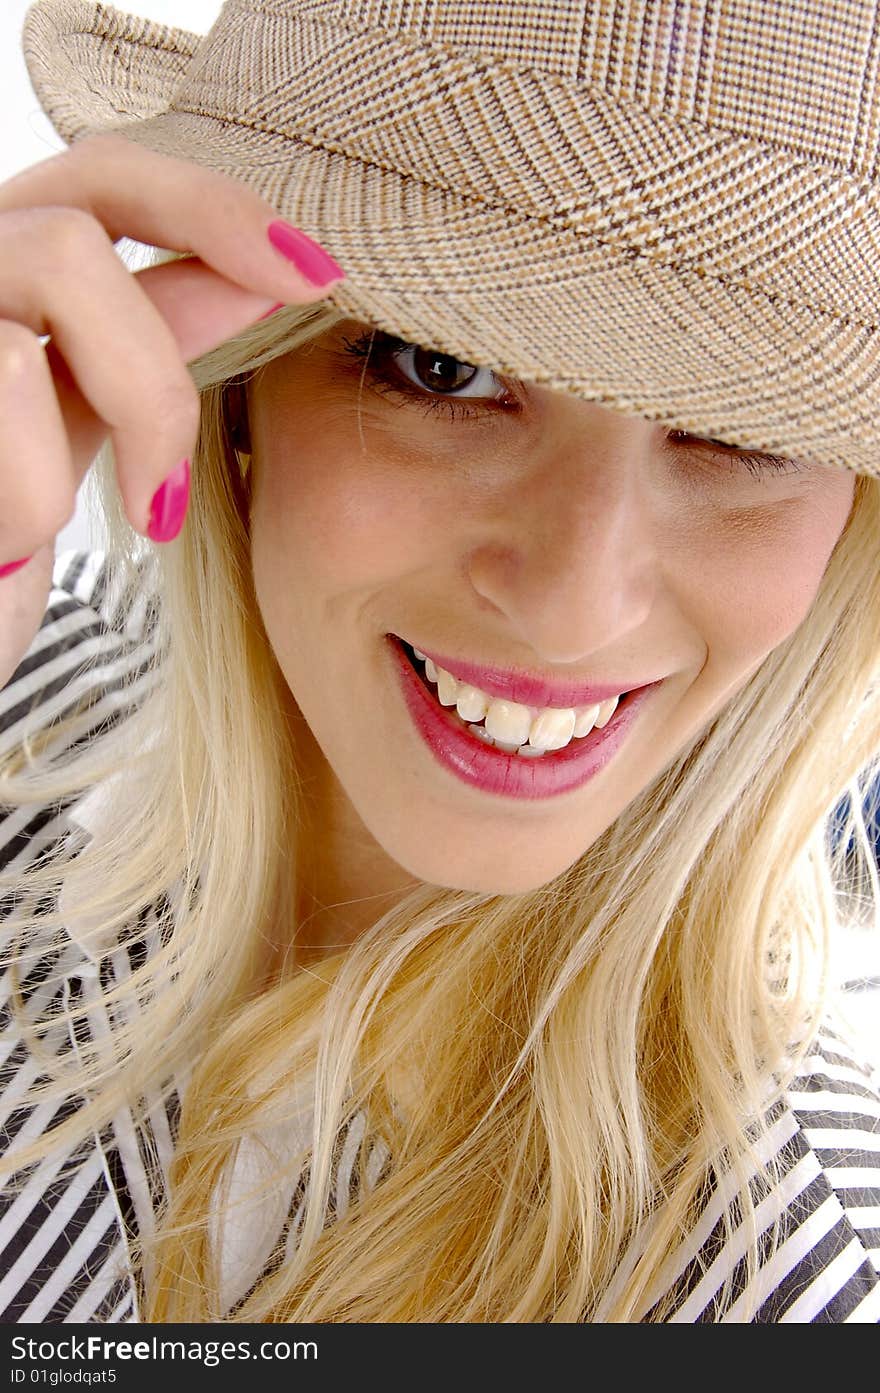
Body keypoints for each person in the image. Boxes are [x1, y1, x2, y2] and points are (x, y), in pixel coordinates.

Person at [1, 0, 879, 1324]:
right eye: (446, 368)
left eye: (737, 432)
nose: (575, 606)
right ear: (239, 387)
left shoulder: (793, 1281)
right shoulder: (27, 704)